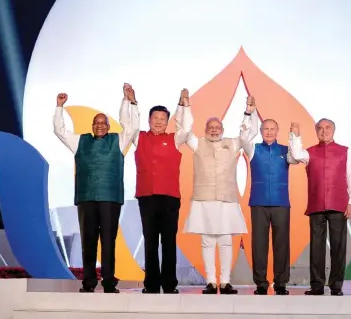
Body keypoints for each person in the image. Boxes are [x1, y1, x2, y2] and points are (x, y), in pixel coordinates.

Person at [53, 86, 138, 293]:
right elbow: (60, 131)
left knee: (108, 241)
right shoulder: (80, 140)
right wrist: (59, 107)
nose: (100, 125)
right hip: (86, 198)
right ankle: (89, 282)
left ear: (109, 126)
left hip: (110, 198)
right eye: (97, 123)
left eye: (103, 123)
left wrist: (129, 102)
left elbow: (132, 126)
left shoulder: (118, 140)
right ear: (92, 125)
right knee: (88, 241)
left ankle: (109, 282)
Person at [119, 84, 192, 294]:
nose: (158, 122)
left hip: (169, 198)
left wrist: (184, 105)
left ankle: (169, 285)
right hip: (147, 196)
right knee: (150, 241)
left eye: (163, 119)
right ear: (149, 120)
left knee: (168, 242)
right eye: (155, 119)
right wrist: (130, 102)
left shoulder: (175, 139)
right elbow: (127, 123)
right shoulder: (138, 136)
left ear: (167, 121)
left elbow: (186, 128)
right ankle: (151, 284)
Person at [183, 96, 258, 294]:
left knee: (225, 240)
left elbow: (247, 134)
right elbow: (184, 131)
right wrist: (185, 106)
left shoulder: (232, 143)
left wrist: (249, 113)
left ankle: (224, 282)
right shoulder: (197, 143)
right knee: (207, 241)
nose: (214, 130)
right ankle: (210, 281)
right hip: (204, 199)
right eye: (211, 127)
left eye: (218, 127)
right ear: (206, 130)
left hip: (226, 199)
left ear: (222, 130)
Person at [288, 118, 351, 296]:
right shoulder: (310, 152)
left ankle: (336, 287)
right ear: (316, 131)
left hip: (338, 204)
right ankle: (317, 286)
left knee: (338, 247)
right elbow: (295, 155)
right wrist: (294, 135)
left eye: (327, 127)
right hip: (316, 205)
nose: (323, 130)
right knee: (316, 248)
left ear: (333, 130)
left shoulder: (345, 152)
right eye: (320, 128)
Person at [243, 118, 298, 295]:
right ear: (260, 130)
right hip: (258, 202)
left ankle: (281, 282)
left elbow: (296, 157)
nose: (269, 132)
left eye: (272, 129)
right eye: (265, 128)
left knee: (281, 244)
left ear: (277, 131)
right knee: (259, 245)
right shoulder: (253, 150)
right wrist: (248, 113)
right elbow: (244, 137)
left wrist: (294, 136)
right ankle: (261, 283)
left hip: (281, 202)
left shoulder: (285, 151)